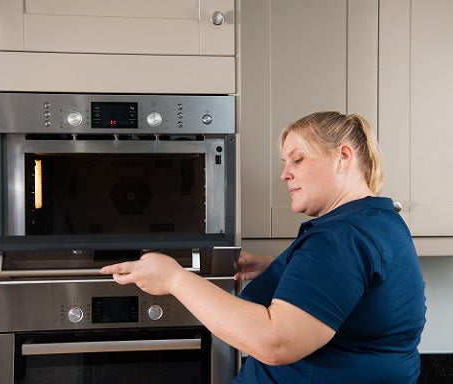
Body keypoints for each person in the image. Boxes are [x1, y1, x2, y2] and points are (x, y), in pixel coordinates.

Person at [101, 111, 426, 383]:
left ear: (343, 157)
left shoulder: (340, 238)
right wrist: (280, 268)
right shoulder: (377, 218)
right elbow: (356, 292)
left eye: (297, 159)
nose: (284, 174)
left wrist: (174, 279)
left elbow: (276, 342)